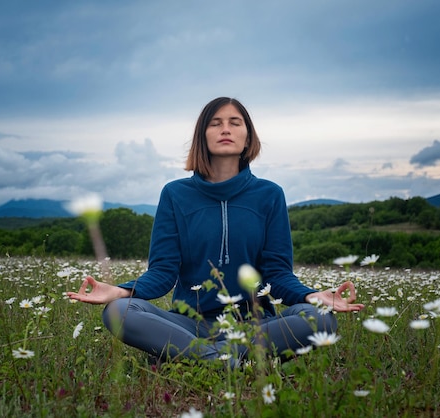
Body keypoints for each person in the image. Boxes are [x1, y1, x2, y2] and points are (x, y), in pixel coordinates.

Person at [67, 97, 364, 366]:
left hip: (256, 326)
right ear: (202, 136)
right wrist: (122, 291)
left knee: (319, 319)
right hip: (189, 323)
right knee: (120, 312)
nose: (226, 129)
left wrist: (311, 296)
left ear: (248, 137)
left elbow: (277, 274)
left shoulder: (270, 195)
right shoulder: (175, 194)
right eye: (216, 123)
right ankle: (227, 359)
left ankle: (196, 357)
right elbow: (163, 272)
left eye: (235, 123)